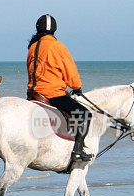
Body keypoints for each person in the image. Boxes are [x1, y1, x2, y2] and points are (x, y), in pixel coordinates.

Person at [26, 14, 93, 162]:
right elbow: (71, 73)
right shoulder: (58, 46)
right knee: (85, 114)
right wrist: (77, 87)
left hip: (33, 93)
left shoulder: (32, 47)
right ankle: (78, 150)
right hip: (52, 94)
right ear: (54, 29)